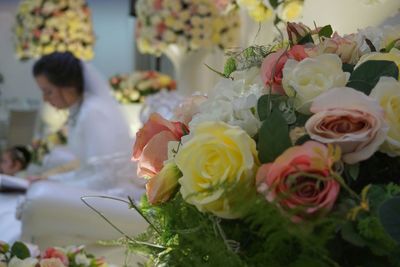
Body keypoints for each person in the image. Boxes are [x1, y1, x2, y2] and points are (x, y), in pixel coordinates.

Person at [31, 51, 135, 189]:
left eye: (48, 91)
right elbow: (85, 172)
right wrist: (50, 180)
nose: (45, 99)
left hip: (113, 197)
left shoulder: (93, 112)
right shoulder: (81, 110)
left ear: (68, 86)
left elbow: (106, 179)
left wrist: (56, 188)